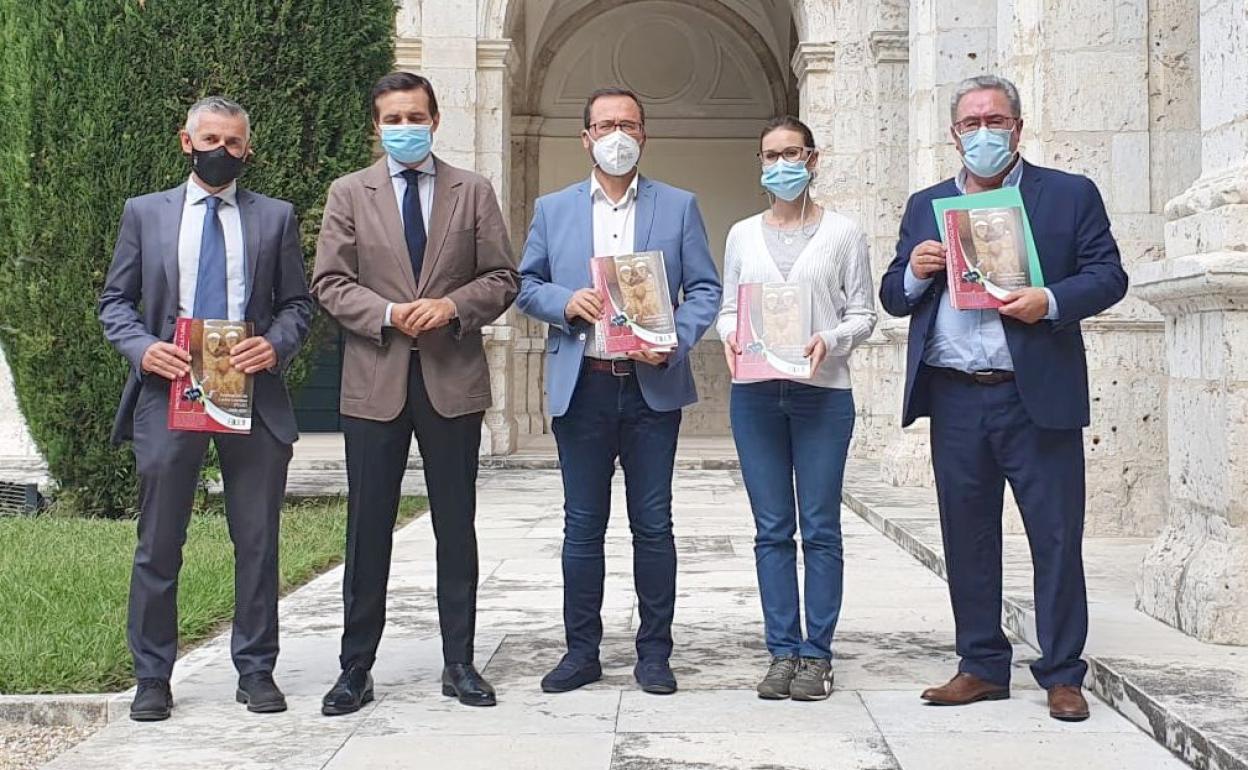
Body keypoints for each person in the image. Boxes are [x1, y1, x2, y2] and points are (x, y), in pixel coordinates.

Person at [878, 75, 1128, 722]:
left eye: (995, 120)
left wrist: (1049, 301)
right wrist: (916, 270)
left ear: (1017, 128)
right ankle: (981, 664)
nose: (982, 132)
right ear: (953, 133)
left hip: (1034, 394)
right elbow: (893, 295)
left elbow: (1108, 275)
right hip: (957, 397)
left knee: (1055, 535)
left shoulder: (1068, 196)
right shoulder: (927, 203)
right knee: (968, 537)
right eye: (970, 122)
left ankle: (1062, 672)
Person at [98, 96, 314, 721]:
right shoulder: (146, 213)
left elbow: (298, 305)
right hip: (170, 394)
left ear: (248, 149)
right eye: (211, 139)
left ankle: (256, 669)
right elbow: (116, 301)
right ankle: (153, 677)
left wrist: (272, 347)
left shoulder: (275, 217)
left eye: (234, 142)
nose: (222, 151)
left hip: (251, 395)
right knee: (159, 542)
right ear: (186, 141)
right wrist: (144, 351)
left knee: (257, 540)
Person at [311, 72, 519, 712]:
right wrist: (390, 314)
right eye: (393, 118)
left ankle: (460, 662)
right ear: (376, 126)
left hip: (450, 380)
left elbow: (502, 277)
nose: (406, 127)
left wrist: (452, 305)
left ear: (436, 119)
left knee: (456, 528)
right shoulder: (350, 193)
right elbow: (330, 283)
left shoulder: (473, 191)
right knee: (367, 528)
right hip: (375, 382)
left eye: (416, 116)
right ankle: (355, 668)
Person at [516, 87, 722, 695]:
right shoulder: (553, 209)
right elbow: (524, 282)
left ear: (643, 134)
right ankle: (581, 652)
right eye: (604, 124)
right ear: (585, 137)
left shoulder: (679, 207)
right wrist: (563, 301)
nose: (616, 135)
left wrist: (677, 338)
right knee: (581, 526)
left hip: (650, 388)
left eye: (627, 124)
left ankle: (654, 653)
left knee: (653, 524)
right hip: (583, 386)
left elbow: (705, 289)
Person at [717, 116, 876, 701]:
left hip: (823, 393)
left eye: (792, 154)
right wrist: (730, 335)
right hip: (755, 393)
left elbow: (864, 313)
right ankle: (781, 650)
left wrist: (828, 340)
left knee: (820, 526)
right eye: (770, 156)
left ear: (813, 159)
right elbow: (732, 308)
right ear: (759, 166)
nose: (781, 165)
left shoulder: (843, 233)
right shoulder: (741, 235)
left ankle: (818, 653)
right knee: (771, 528)